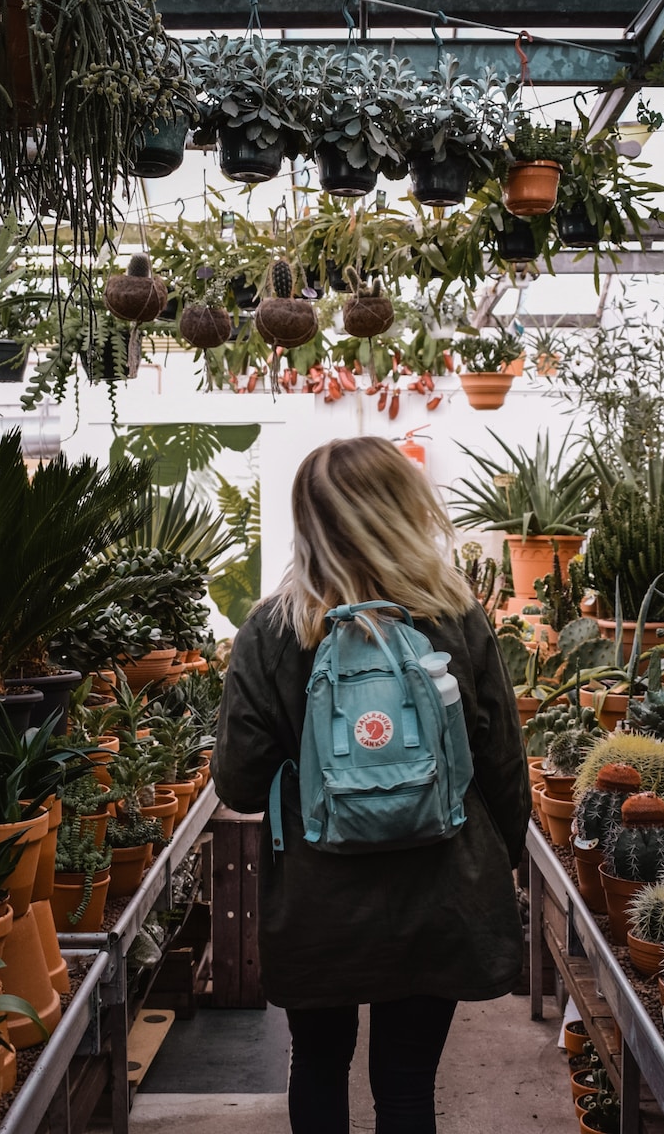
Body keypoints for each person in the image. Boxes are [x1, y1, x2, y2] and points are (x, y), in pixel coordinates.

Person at [213, 436, 531, 1134]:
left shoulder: (270, 631)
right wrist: (495, 863)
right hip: (441, 887)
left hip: (317, 897)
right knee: (408, 1084)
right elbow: (502, 763)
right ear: (401, 511)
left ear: (309, 519)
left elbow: (237, 783)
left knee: (318, 1066)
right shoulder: (453, 616)